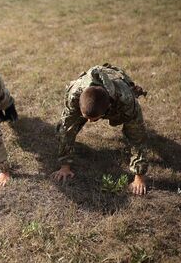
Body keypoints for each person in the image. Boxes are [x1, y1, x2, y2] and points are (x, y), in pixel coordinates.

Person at [52, 63, 149, 195]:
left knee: (134, 130)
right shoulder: (74, 94)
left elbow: (138, 138)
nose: (91, 122)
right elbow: (66, 130)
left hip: (116, 89)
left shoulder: (126, 100)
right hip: (87, 99)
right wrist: (65, 166)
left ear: (107, 109)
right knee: (64, 128)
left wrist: (139, 176)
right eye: (87, 117)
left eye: (95, 118)